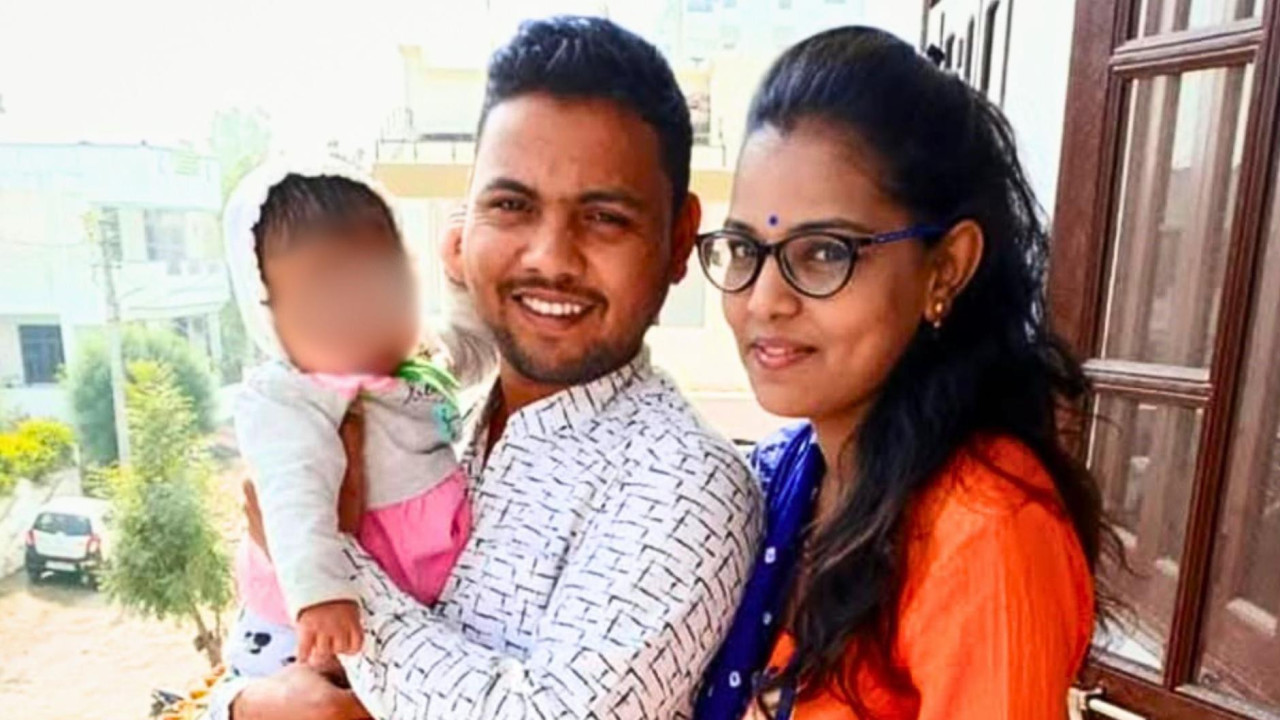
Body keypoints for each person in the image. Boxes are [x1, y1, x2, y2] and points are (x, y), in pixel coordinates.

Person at [213, 16, 763, 720]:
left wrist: (328, 566)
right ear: (465, 220)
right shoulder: (435, 408)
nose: (550, 258)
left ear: (680, 238)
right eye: (511, 205)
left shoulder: (685, 482)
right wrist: (245, 706)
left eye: (605, 217)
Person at [694, 26, 1110, 720]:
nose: (764, 300)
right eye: (744, 247)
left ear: (944, 269)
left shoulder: (984, 532)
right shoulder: (797, 478)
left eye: (824, 252)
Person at [219, 164, 487, 678]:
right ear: (268, 309)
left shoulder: (415, 355)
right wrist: (319, 595)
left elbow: (478, 353)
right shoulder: (292, 392)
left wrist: (460, 282)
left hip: (406, 612)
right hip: (305, 623)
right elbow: (292, 493)